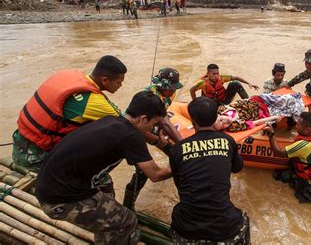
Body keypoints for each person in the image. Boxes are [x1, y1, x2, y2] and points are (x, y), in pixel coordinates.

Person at [36, 91, 172, 244]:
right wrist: (179, 162)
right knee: (127, 220)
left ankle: (103, 228)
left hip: (48, 184)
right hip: (59, 199)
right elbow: (156, 175)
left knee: (107, 186)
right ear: (143, 118)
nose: (152, 129)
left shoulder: (111, 120)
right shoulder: (130, 136)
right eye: (154, 124)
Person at [12, 55, 126, 171]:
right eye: (119, 82)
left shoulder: (68, 75)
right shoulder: (93, 102)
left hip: (20, 141)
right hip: (35, 157)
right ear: (105, 80)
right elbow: (125, 125)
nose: (120, 86)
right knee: (100, 180)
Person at [169, 97, 250, 243]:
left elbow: (180, 185)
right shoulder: (228, 141)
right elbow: (237, 168)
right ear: (215, 119)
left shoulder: (177, 149)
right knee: (243, 218)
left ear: (193, 121)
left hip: (186, 227)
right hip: (225, 227)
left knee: (178, 211)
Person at [123, 68, 183, 210]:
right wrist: (156, 140)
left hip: (150, 126)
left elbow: (164, 121)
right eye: (171, 89)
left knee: (177, 154)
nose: (173, 91)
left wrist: (183, 146)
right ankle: (127, 207)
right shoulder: (150, 98)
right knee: (142, 173)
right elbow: (137, 127)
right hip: (133, 132)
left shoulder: (168, 95)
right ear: (163, 87)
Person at [263, 112, 311, 203]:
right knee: (280, 176)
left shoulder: (304, 145)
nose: (296, 126)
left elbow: (278, 153)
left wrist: (271, 134)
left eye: (298, 124)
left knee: (278, 178)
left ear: (307, 130)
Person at [214, 92, 304, 132]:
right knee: (291, 109)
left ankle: (294, 96)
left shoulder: (221, 109)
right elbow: (255, 123)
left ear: (219, 115)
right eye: (223, 126)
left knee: (288, 99)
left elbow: (239, 102)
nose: (225, 122)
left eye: (221, 120)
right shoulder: (234, 126)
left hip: (258, 100)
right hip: (263, 113)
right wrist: (273, 118)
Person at [189, 63, 259, 105]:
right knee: (202, 100)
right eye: (214, 74)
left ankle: (248, 103)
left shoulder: (222, 78)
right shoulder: (202, 83)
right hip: (212, 105)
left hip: (224, 100)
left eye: (217, 73)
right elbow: (192, 90)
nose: (216, 75)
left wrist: (249, 83)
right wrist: (195, 101)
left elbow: (236, 77)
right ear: (208, 74)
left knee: (235, 83)